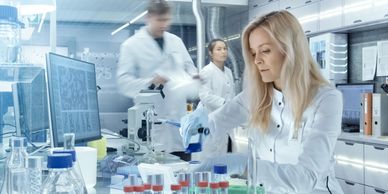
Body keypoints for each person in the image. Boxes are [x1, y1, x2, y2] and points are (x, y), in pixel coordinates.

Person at [180, 10, 344, 193]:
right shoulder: (255, 95)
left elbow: (306, 178)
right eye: (253, 53)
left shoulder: (326, 99)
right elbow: (217, 121)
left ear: (290, 49)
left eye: (265, 50)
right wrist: (199, 126)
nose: (257, 60)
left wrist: (244, 165)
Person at [117, 0, 198, 161]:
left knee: (182, 178)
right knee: (153, 179)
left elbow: (190, 68)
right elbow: (123, 82)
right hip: (151, 130)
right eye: (160, 20)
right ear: (149, 17)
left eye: (167, 20)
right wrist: (150, 82)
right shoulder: (131, 45)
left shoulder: (176, 41)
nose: (164, 25)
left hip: (178, 129)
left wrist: (193, 77)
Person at [197, 39, 235, 159]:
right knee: (209, 154)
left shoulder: (228, 72)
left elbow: (231, 94)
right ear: (211, 53)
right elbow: (204, 95)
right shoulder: (207, 71)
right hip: (209, 118)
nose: (223, 52)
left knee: (222, 153)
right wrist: (224, 103)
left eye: (225, 49)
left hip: (224, 119)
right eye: (218, 49)